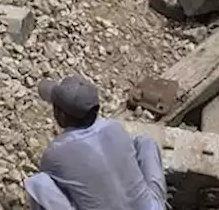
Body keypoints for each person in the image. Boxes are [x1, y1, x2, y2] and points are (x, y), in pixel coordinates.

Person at [23, 74, 166, 210]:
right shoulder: (115, 128)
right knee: (145, 142)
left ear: (61, 115)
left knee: (39, 183)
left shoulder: (56, 152)